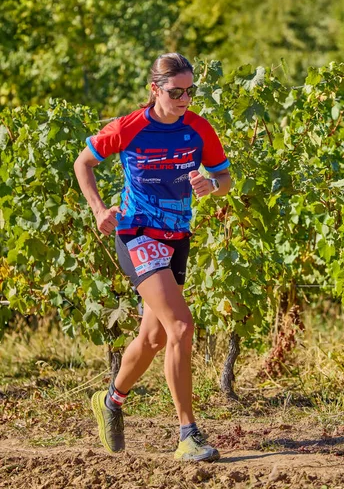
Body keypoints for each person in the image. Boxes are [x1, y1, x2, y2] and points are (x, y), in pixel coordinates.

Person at [74, 53, 231, 462]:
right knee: (181, 326)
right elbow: (83, 163)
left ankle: (111, 400)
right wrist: (98, 210)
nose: (184, 99)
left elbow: (225, 177)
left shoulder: (198, 128)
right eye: (175, 91)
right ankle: (187, 434)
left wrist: (209, 184)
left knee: (154, 337)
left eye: (190, 91)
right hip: (137, 234)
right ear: (155, 89)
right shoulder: (130, 127)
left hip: (177, 236)